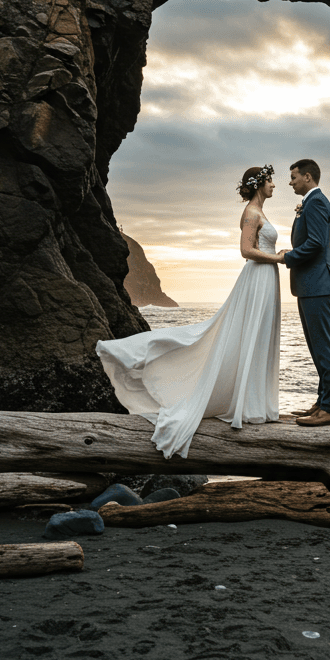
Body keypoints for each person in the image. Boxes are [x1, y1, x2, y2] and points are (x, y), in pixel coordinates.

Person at [95, 164, 283, 459]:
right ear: (260, 183)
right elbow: (246, 251)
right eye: (271, 180)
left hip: (266, 279)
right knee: (240, 335)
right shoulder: (251, 213)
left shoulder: (261, 212)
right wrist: (278, 258)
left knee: (259, 337)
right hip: (257, 278)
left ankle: (256, 403)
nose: (275, 185)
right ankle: (142, 357)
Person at [282, 159, 330, 426]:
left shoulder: (316, 202)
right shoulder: (310, 203)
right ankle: (322, 402)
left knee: (324, 348)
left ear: (308, 177)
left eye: (294, 177)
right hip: (310, 286)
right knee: (317, 348)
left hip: (318, 285)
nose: (290, 182)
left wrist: (287, 257)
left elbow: (316, 244)